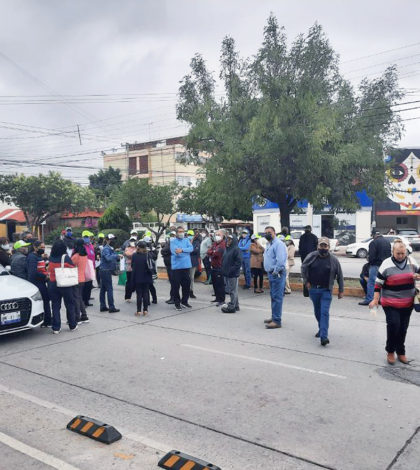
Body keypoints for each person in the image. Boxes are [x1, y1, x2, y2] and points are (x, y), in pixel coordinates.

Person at [369, 241, 420, 364]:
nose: (401, 256)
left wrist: (417, 277)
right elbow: (378, 284)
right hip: (390, 302)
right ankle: (390, 351)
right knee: (394, 325)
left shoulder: (412, 262)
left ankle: (401, 352)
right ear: (393, 252)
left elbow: (419, 274)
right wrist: (375, 299)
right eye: (398, 253)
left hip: (407, 303)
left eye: (403, 253)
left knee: (403, 328)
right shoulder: (386, 264)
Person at [301, 237, 344, 346]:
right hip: (314, 289)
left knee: (324, 312)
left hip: (326, 290)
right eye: (321, 245)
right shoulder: (312, 256)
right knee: (317, 312)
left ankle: (324, 336)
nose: (323, 248)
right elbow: (303, 267)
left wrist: (341, 290)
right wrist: (306, 282)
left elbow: (340, 275)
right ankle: (321, 329)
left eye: (325, 246)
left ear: (329, 247)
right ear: (318, 246)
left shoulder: (333, 260)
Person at [47, 239, 78, 334]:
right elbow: (72, 269)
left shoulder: (51, 258)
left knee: (55, 306)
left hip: (52, 284)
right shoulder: (66, 258)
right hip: (65, 284)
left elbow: (49, 269)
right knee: (70, 304)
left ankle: (56, 327)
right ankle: (72, 325)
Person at [263, 226, 288, 329]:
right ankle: (274, 317)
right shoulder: (269, 244)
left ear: (274, 233)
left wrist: (275, 271)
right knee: (273, 296)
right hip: (271, 274)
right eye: (265, 233)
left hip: (277, 274)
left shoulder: (279, 244)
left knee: (277, 297)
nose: (267, 234)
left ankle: (277, 321)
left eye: (269, 232)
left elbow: (281, 261)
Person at [359, 231, 391, 306]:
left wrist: (370, 263)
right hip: (385, 266)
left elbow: (371, 256)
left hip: (376, 265)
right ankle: (381, 299)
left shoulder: (373, 242)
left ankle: (369, 299)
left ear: (374, 236)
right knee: (383, 283)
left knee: (372, 282)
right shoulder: (387, 242)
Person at [27, 240, 52, 328]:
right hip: (37, 283)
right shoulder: (32, 257)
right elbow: (33, 273)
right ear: (35, 247)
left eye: (44, 247)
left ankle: (47, 320)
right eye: (41, 247)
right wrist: (45, 276)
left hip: (42, 281)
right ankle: (46, 321)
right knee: (45, 301)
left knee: (46, 300)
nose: (43, 249)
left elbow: (41, 268)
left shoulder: (39, 256)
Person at [170, 226, 193, 311]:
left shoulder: (187, 240)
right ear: (176, 233)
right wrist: (185, 252)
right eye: (179, 231)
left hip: (186, 267)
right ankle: (177, 303)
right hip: (177, 268)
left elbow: (191, 248)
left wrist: (182, 250)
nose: (181, 233)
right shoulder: (173, 242)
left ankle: (184, 301)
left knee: (187, 285)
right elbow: (176, 252)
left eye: (182, 231)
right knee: (176, 286)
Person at [99, 234, 121, 313]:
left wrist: (116, 255)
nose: (113, 241)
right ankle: (111, 307)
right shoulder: (106, 249)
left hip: (105, 270)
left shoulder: (109, 248)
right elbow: (108, 258)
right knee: (109, 289)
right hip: (105, 270)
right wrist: (116, 255)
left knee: (103, 289)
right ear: (107, 240)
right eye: (112, 239)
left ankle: (103, 306)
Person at [221, 234, 242, 313]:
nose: (228, 241)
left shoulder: (236, 249)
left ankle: (232, 306)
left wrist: (231, 270)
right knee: (233, 290)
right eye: (227, 239)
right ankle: (236, 305)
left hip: (232, 273)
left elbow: (238, 262)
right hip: (227, 273)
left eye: (230, 239)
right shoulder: (227, 249)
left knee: (232, 291)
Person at [131, 241, 153, 316]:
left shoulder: (134, 255)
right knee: (146, 293)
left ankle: (138, 311)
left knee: (139, 294)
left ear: (138, 247)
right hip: (147, 277)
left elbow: (132, 266)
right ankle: (145, 310)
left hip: (137, 277)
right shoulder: (148, 255)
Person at [71, 238, 89, 324]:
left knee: (76, 299)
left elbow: (69, 265)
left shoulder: (76, 256)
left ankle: (77, 317)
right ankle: (84, 316)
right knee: (79, 297)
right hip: (82, 278)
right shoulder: (85, 255)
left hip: (75, 279)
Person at [207, 230, 226, 306]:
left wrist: (212, 252)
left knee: (220, 284)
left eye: (219, 235)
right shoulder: (215, 243)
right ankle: (217, 298)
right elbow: (208, 251)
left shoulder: (222, 244)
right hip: (213, 266)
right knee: (215, 284)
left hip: (219, 267)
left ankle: (222, 300)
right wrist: (212, 252)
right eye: (216, 234)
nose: (217, 236)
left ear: (223, 236)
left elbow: (217, 253)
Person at [161, 231, 176, 304]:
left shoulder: (172, 242)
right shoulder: (169, 242)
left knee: (173, 282)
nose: (172, 236)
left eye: (173, 235)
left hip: (172, 265)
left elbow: (163, 250)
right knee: (172, 282)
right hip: (170, 264)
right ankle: (172, 297)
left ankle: (174, 298)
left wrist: (164, 250)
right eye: (171, 235)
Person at [82, 230, 95, 307]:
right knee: (84, 285)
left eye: (88, 237)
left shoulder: (90, 245)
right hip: (85, 268)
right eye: (86, 237)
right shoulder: (82, 246)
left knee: (89, 285)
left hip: (91, 267)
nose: (87, 238)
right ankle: (83, 301)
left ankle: (87, 300)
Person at [143, 236, 158, 304]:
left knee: (147, 285)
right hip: (150, 269)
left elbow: (154, 258)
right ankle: (153, 299)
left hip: (148, 270)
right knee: (150, 285)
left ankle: (148, 300)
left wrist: (149, 251)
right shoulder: (152, 249)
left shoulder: (152, 249)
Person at [124, 237, 137, 302]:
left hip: (136, 268)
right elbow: (128, 255)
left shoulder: (137, 248)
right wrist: (135, 253)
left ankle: (139, 296)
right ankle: (127, 297)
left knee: (135, 282)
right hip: (129, 268)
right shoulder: (127, 248)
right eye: (131, 240)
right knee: (129, 282)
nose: (133, 242)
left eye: (134, 240)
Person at [189, 230, 201, 299]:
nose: (189, 236)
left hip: (193, 262)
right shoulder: (185, 241)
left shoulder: (197, 242)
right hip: (185, 262)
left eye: (190, 235)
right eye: (188, 234)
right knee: (186, 278)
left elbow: (195, 250)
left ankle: (191, 291)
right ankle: (186, 291)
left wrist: (188, 249)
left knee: (191, 278)